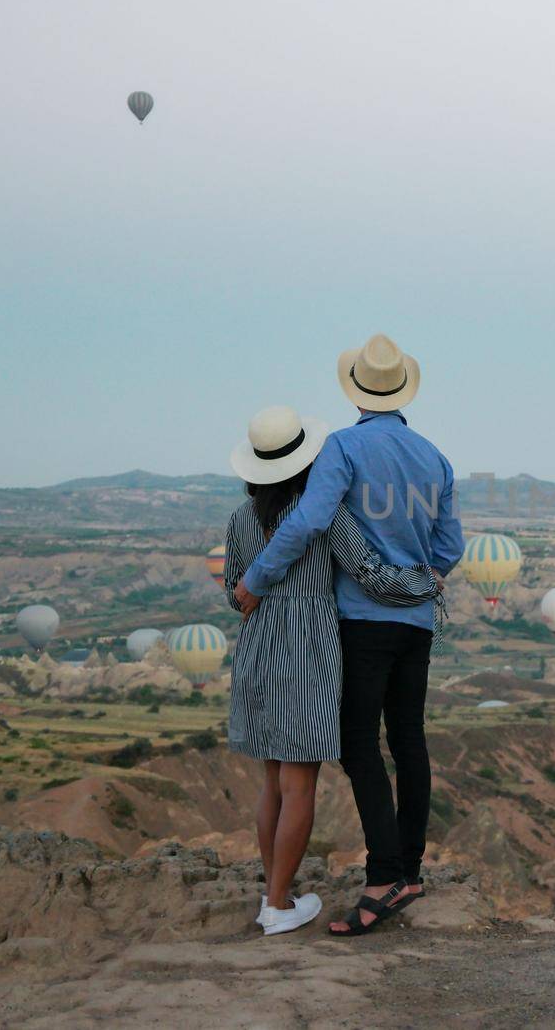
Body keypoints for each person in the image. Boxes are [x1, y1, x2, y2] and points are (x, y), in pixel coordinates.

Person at [234, 334, 463, 937]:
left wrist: (256, 580)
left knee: (360, 745)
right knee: (409, 742)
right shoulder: (434, 457)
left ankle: (384, 876)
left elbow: (309, 519)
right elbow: (450, 548)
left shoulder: (344, 446)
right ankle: (408, 869)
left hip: (362, 622)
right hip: (415, 623)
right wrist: (412, 584)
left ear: (355, 389)